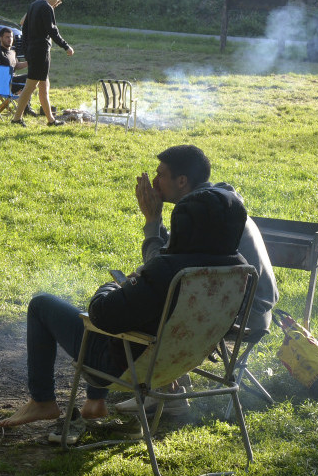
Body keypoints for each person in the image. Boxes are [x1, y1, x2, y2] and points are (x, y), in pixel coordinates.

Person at [0, 187, 250, 431]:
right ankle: (95, 402)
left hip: (127, 368)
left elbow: (102, 315)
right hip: (178, 363)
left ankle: (42, 401)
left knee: (41, 304)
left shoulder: (168, 271)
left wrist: (112, 287)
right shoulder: (238, 270)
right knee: (124, 319)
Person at [117, 144, 278, 416]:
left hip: (242, 315)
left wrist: (152, 221)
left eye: (161, 175)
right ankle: (170, 387)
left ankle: (162, 388)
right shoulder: (217, 203)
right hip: (248, 306)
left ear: (182, 181)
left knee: (150, 299)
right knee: (162, 292)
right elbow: (172, 259)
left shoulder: (205, 212)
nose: (154, 182)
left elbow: (160, 273)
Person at [11, 0, 73, 127]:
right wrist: (66, 46)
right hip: (40, 52)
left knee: (44, 86)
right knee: (30, 86)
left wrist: (26, 51)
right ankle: (16, 119)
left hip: (33, 51)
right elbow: (53, 31)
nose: (57, 2)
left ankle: (51, 120)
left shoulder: (34, 5)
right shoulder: (46, 7)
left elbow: (24, 28)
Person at [0, 27, 34, 115]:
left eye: (11, 37)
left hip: (12, 81)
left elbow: (16, 65)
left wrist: (30, 62)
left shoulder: (12, 51)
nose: (10, 39)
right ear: (1, 38)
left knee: (32, 77)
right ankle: (25, 107)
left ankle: (25, 106)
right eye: (7, 37)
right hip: (3, 85)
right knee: (30, 78)